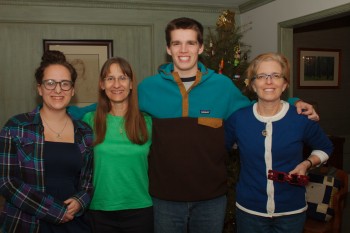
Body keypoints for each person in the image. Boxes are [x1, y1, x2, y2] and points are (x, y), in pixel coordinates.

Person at [136, 17, 320, 233]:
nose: (183, 49)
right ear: (168, 48)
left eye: (191, 43)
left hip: (210, 200)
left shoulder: (221, 86)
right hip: (164, 198)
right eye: (177, 43)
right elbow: (112, 106)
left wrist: (291, 102)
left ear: (201, 47)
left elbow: (253, 108)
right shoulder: (148, 88)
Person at [224, 52, 333, 233]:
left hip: (291, 212)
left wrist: (307, 163)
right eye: (261, 76)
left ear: (285, 84)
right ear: (253, 84)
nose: (269, 81)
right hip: (250, 211)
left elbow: (326, 147)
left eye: (276, 76)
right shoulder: (238, 119)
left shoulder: (300, 118)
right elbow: (218, 151)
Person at [0, 50, 94, 233]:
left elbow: (88, 182)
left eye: (65, 84)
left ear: (73, 90)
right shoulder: (16, 126)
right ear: (39, 88)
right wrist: (53, 210)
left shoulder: (85, 132)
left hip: (74, 223)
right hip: (26, 224)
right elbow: (6, 182)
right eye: (50, 83)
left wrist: (80, 200)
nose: (58, 90)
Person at [82, 57, 153, 233]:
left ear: (131, 84)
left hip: (140, 209)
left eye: (122, 78)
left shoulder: (147, 122)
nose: (116, 84)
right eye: (110, 78)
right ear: (102, 84)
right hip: (100, 209)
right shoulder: (89, 121)